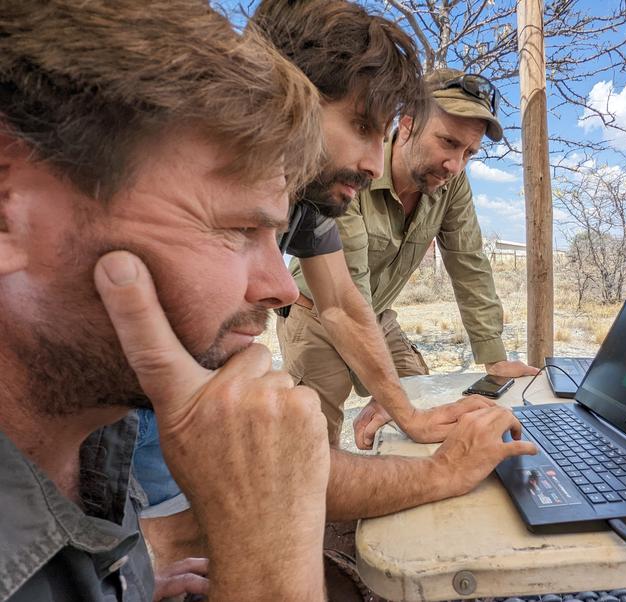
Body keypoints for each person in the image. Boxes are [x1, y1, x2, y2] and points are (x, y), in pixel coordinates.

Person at [129, 4, 538, 594]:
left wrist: (413, 409)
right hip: (175, 405)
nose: (279, 286)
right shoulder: (207, 162)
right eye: (364, 127)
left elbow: (370, 294)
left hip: (355, 322)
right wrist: (147, 546)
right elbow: (335, 306)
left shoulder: (318, 196)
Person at [0, 1, 332, 600]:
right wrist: (268, 572)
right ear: (8, 212)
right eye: (236, 230)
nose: (283, 288)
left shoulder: (103, 430)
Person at [280, 66, 539, 450]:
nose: (456, 165)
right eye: (448, 142)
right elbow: (346, 295)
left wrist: (494, 357)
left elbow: (469, 263)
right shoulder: (355, 167)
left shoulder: (453, 184)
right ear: (407, 123)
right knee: (316, 442)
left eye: (469, 153)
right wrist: (392, 398)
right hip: (316, 313)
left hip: (377, 314)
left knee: (425, 396)